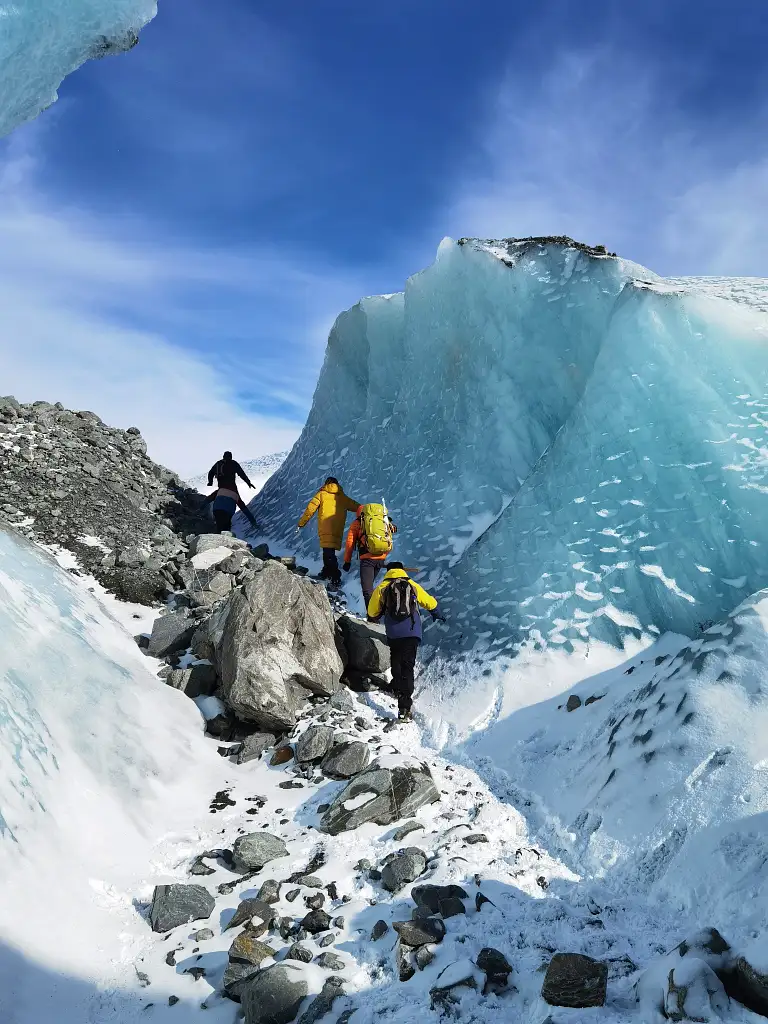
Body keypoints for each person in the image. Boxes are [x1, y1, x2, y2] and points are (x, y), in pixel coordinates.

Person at [368, 562, 444, 721]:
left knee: (396, 659)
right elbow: (430, 602)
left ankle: (396, 687)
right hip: (412, 631)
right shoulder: (412, 584)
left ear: (388, 572)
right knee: (407, 667)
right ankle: (404, 707)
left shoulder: (383, 587)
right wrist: (436, 613)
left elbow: (372, 611)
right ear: (402, 570)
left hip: (394, 632)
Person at [297, 477, 360, 584]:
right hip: (337, 529)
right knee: (328, 551)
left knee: (328, 552)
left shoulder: (321, 494)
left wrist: (301, 523)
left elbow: (310, 509)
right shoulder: (343, 497)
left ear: (326, 484)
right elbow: (358, 507)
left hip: (325, 527)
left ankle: (336, 576)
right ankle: (326, 571)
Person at [343, 504, 398, 611]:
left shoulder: (358, 523)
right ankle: (379, 612)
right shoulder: (381, 521)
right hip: (381, 558)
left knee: (367, 590)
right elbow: (393, 530)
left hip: (367, 560)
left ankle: (373, 617)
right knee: (371, 587)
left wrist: (347, 561)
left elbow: (350, 543)